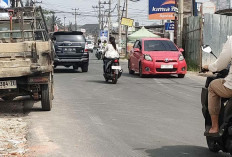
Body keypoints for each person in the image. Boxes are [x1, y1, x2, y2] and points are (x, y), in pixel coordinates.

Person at [203, 36, 232, 136]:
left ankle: (215, 127)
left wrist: (209, 67)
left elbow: (221, 64)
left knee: (212, 86)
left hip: (230, 87)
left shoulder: (231, 41)